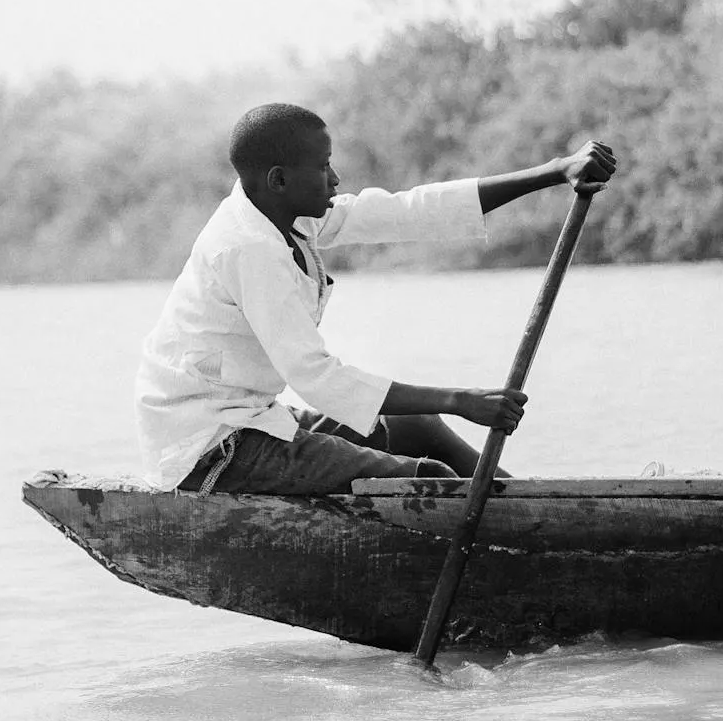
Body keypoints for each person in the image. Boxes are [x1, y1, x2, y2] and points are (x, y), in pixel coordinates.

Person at [135, 103, 616, 495]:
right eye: (323, 168)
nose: (336, 178)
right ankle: (518, 538)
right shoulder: (248, 249)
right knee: (429, 484)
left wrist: (554, 172)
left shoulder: (286, 213)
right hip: (210, 448)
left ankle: (540, 508)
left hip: (253, 420)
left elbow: (406, 212)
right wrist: (459, 399)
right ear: (279, 180)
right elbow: (317, 380)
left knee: (417, 429)